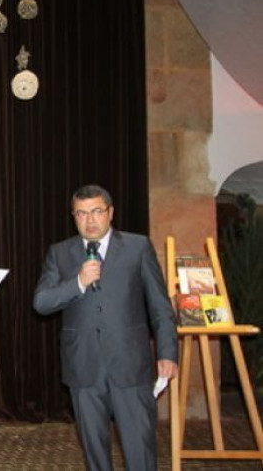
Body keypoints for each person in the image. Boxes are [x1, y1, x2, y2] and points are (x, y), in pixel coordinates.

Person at [33, 185, 178, 471]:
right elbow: (41, 302)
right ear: (73, 216)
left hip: (131, 365)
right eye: (81, 213)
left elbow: (160, 307)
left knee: (140, 450)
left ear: (110, 213)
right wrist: (78, 283)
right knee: (95, 453)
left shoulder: (138, 247)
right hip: (83, 367)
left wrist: (167, 352)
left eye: (97, 211)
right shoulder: (60, 253)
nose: (89, 220)